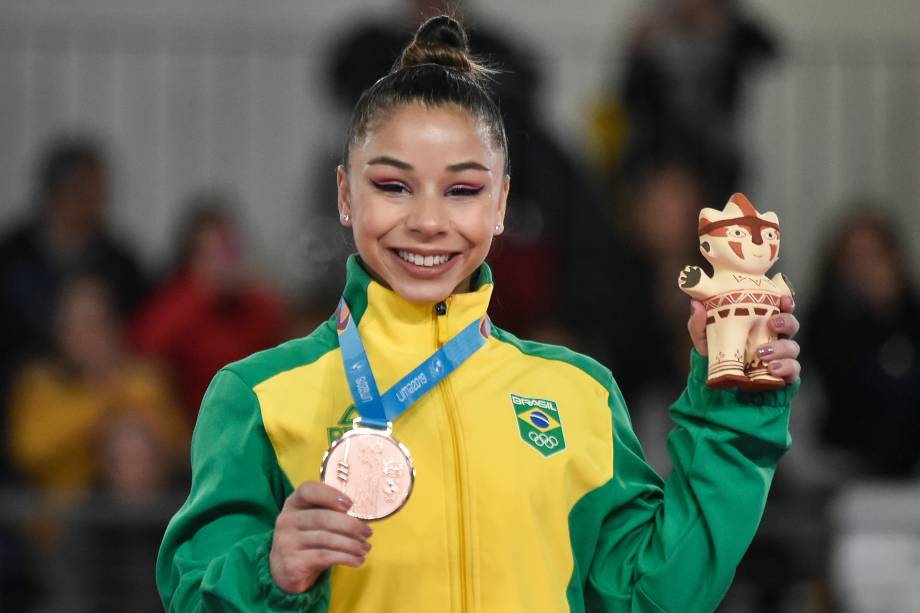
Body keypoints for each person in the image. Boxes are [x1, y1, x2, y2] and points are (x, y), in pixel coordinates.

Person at [156, 16, 801, 612]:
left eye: (463, 190)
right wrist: (270, 569)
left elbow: (653, 594)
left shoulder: (578, 393)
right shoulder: (258, 397)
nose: (429, 222)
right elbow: (193, 592)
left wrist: (731, 413)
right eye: (392, 185)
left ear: (501, 205)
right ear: (346, 196)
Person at [131, 194, 286, 422]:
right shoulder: (173, 308)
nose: (226, 265)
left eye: (231, 252)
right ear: (193, 258)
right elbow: (144, 360)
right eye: (215, 254)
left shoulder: (260, 306)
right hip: (187, 432)